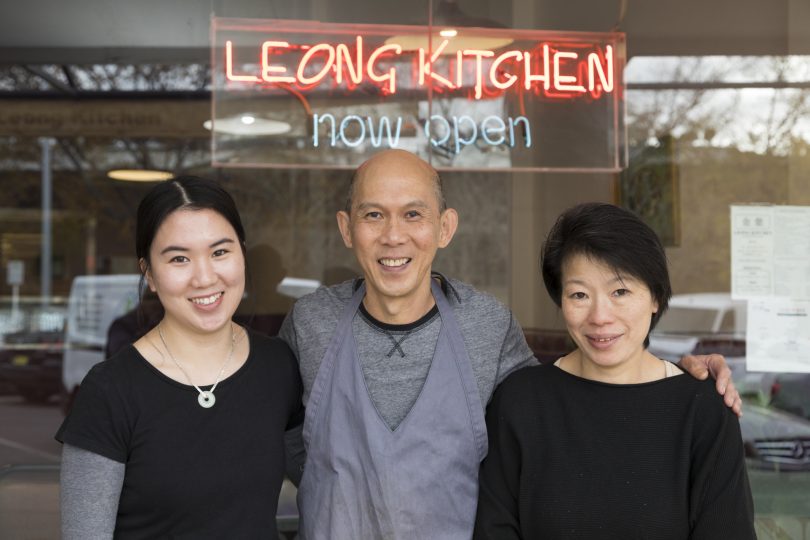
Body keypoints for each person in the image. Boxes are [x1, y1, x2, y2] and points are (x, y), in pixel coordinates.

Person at [280, 149, 741, 540]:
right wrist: (340, 485)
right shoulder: (311, 322)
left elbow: (576, 403)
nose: (393, 235)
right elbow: (270, 426)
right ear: (346, 228)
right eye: (373, 214)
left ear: (444, 228)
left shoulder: (488, 326)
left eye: (414, 213)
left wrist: (678, 378)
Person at [474, 203, 756, 539]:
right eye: (579, 294)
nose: (599, 316)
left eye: (620, 291)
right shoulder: (520, 403)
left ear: (655, 296)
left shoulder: (702, 409)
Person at [56, 176, 303, 539]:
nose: (204, 277)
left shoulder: (278, 366)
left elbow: (329, 484)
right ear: (150, 274)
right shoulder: (111, 390)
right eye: (179, 258)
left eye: (220, 252)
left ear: (242, 254)